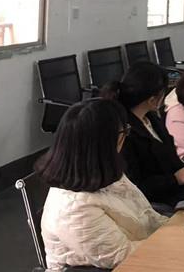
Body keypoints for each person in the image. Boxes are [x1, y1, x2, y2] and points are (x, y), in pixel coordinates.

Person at [37, 99, 167, 271]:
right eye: (125, 131)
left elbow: (147, 214)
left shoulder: (102, 172)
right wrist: (171, 244)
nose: (125, 138)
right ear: (106, 144)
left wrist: (175, 230)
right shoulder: (74, 210)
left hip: (144, 251)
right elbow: (124, 258)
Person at [102, 61, 184, 207]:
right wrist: (175, 179)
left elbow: (170, 157)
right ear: (152, 100)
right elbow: (137, 186)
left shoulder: (151, 118)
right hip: (166, 195)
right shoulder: (125, 134)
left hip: (178, 182)